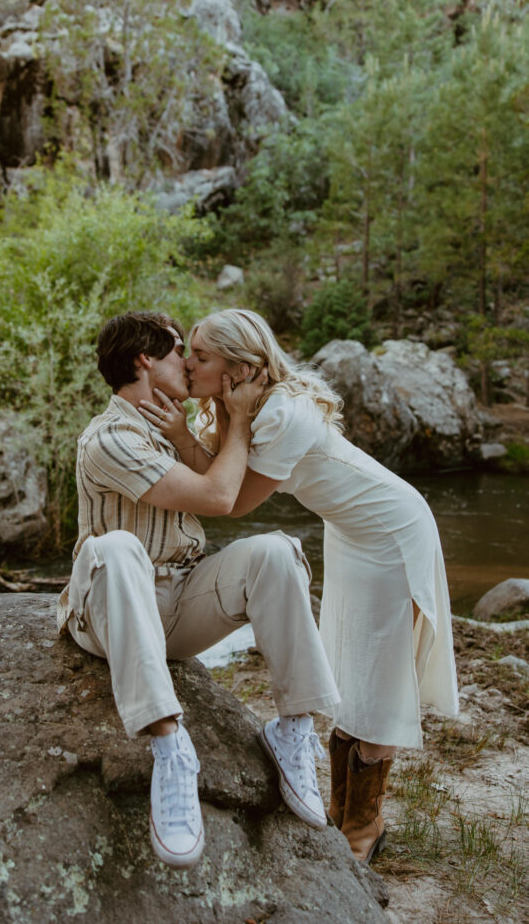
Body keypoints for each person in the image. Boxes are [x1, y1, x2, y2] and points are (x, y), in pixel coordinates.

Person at [141, 308, 459, 864]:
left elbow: (231, 503)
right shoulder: (244, 409)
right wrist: (184, 430)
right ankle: (341, 812)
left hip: (390, 532)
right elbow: (220, 474)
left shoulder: (282, 413)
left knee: (382, 680)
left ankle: (363, 828)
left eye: (201, 356)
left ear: (240, 369)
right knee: (348, 669)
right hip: (350, 535)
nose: (188, 364)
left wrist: (218, 427)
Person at [57, 310, 340, 870]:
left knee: (277, 551)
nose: (186, 362)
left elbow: (226, 491)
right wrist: (236, 418)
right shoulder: (110, 437)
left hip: (179, 605)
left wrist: (187, 435)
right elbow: (217, 497)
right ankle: (170, 750)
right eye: (175, 352)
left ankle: (293, 728)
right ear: (144, 361)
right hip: (110, 615)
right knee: (115, 547)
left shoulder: (165, 424)